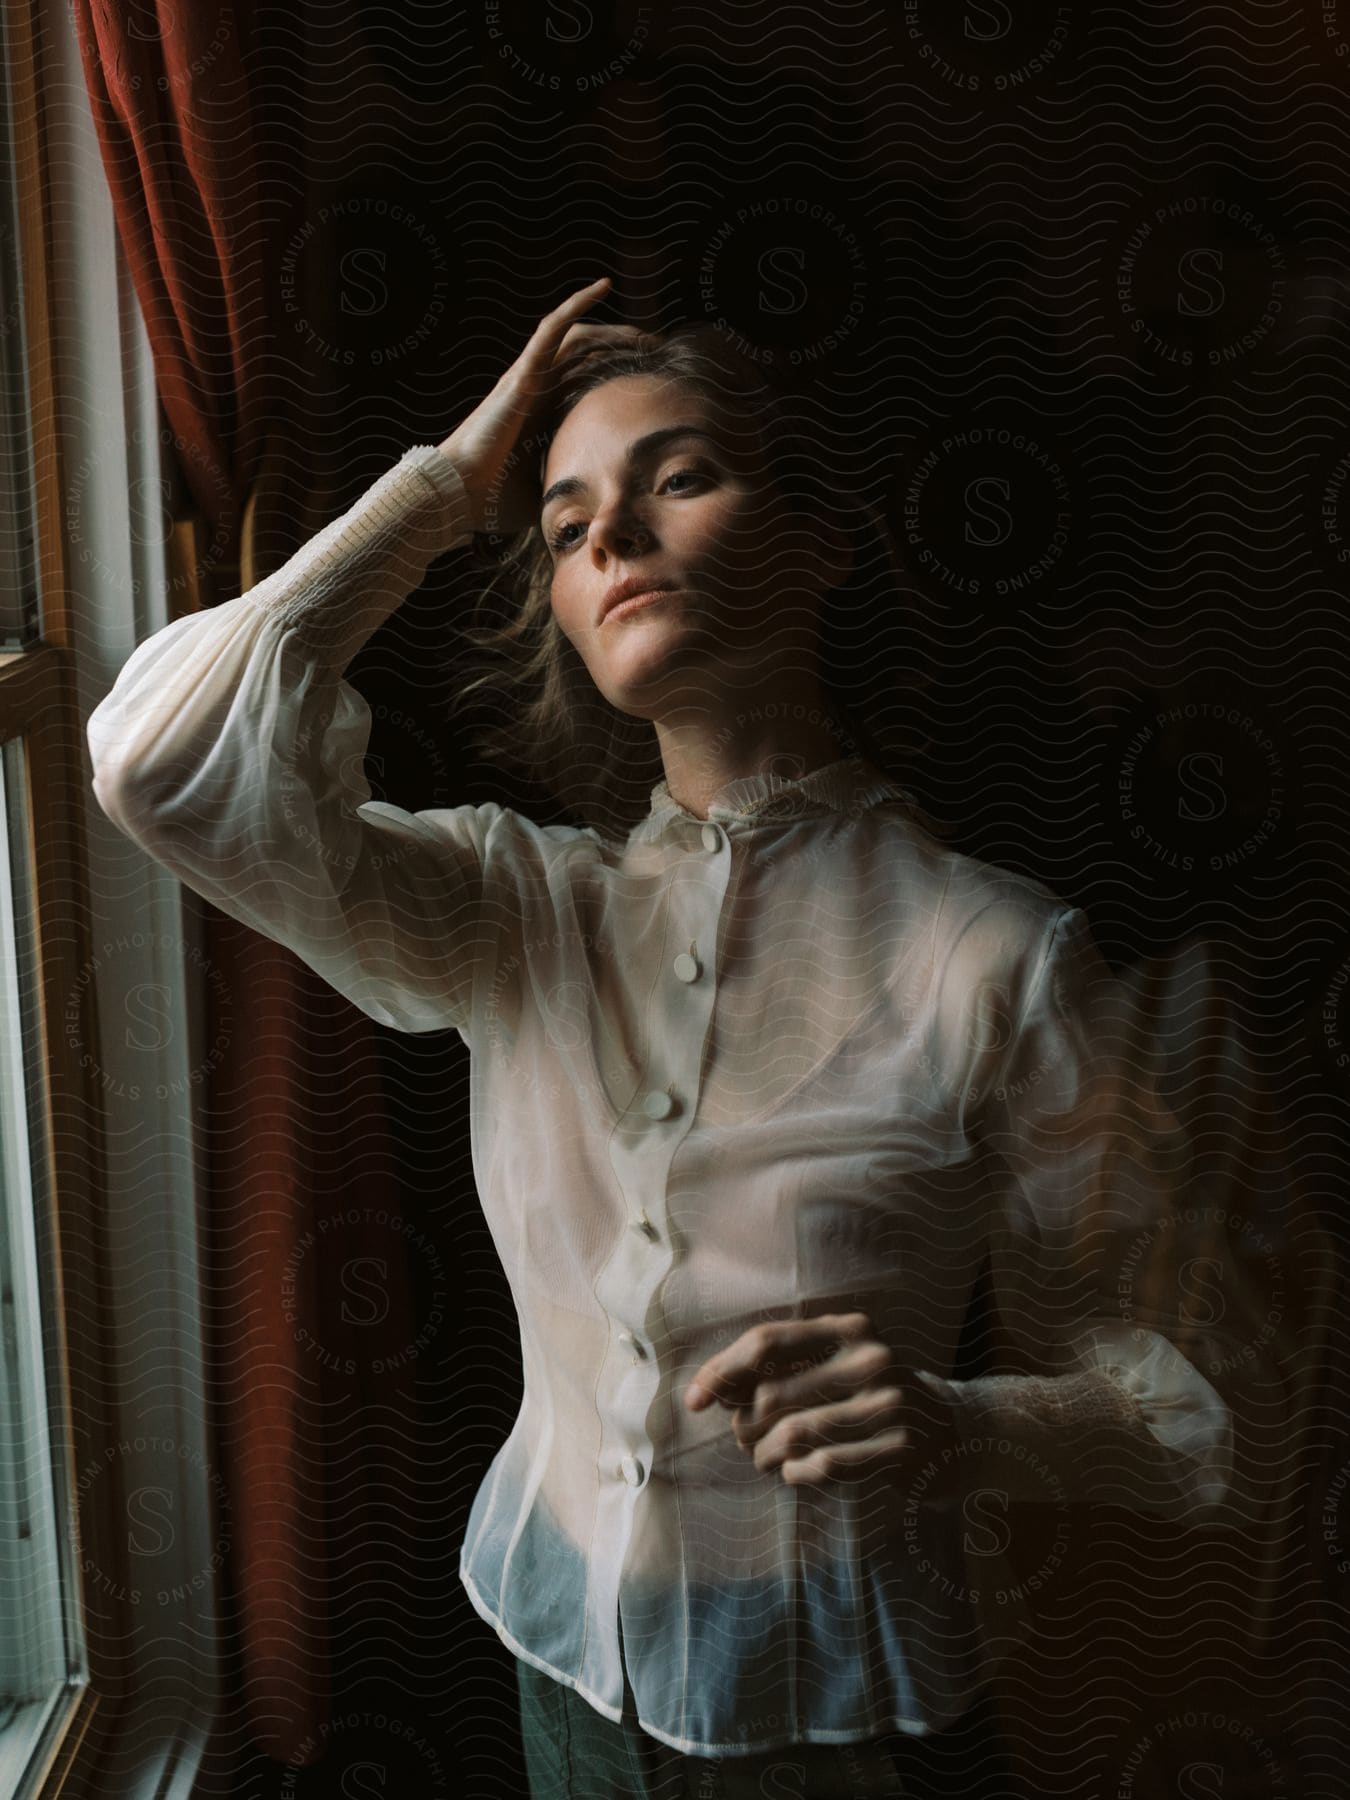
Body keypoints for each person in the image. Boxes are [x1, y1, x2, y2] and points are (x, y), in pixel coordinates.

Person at [86, 279, 1256, 1798]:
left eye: (678, 478)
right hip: (557, 1664)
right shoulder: (514, 912)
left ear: (822, 540)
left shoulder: (991, 954)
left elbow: (1197, 1403)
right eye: (566, 528)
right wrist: (448, 486)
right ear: (559, 617)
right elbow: (159, 767)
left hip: (843, 1711)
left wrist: (965, 1427)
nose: (611, 540)